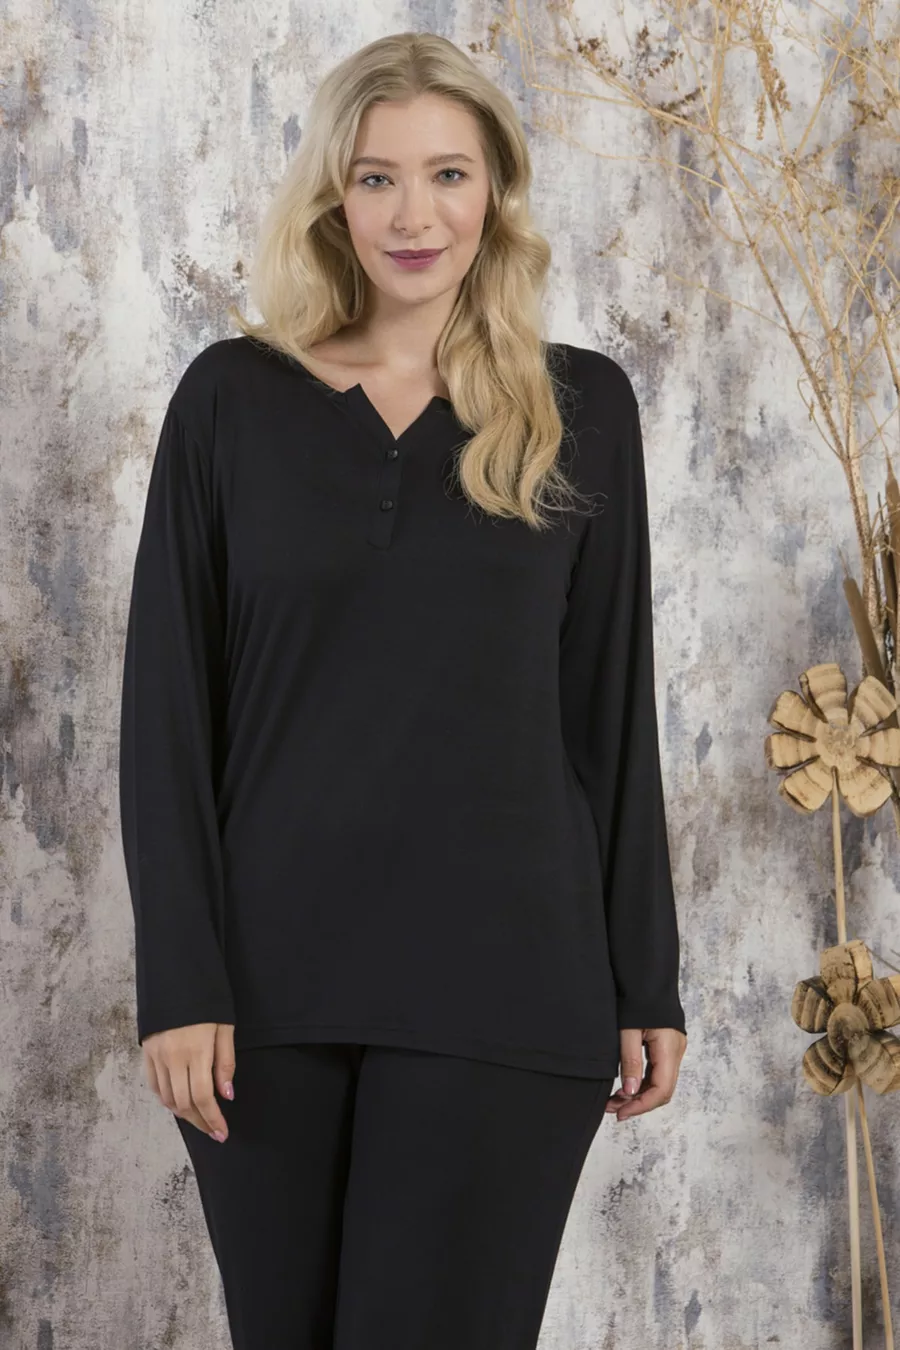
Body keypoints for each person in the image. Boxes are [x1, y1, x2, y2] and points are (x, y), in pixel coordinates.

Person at [118, 29, 687, 1350]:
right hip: (265, 1000)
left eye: (448, 175)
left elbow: (611, 712)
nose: (413, 215)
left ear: (496, 193)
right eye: (377, 178)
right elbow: (168, 716)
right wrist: (180, 979)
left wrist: (646, 977)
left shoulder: (581, 409)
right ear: (335, 194)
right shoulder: (230, 402)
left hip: (508, 985)